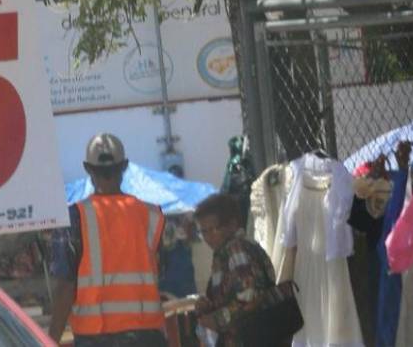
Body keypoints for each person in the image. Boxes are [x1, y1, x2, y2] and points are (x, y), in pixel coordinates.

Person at [48, 134, 168, 346]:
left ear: (87, 168)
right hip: (147, 335)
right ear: (124, 166)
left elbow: (65, 286)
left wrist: (49, 340)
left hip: (96, 337)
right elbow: (162, 269)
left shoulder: (74, 217)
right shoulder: (151, 215)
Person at [193, 193, 289, 347]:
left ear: (232, 224)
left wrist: (216, 319)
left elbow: (250, 298)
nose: (208, 237)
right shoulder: (226, 252)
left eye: (213, 229)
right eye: (203, 231)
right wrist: (209, 307)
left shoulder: (236, 249)